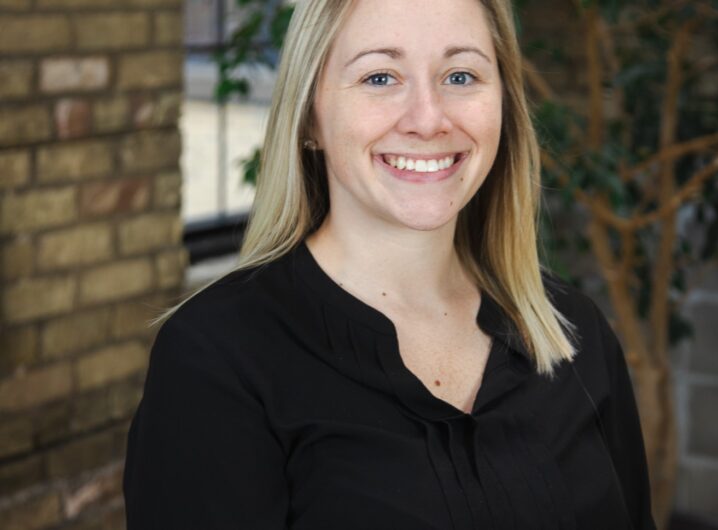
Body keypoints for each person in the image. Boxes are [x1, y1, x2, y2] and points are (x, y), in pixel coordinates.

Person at [123, 0, 656, 528]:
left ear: (504, 106)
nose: (428, 119)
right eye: (380, 78)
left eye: (461, 75)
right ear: (310, 116)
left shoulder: (571, 331)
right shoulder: (217, 358)